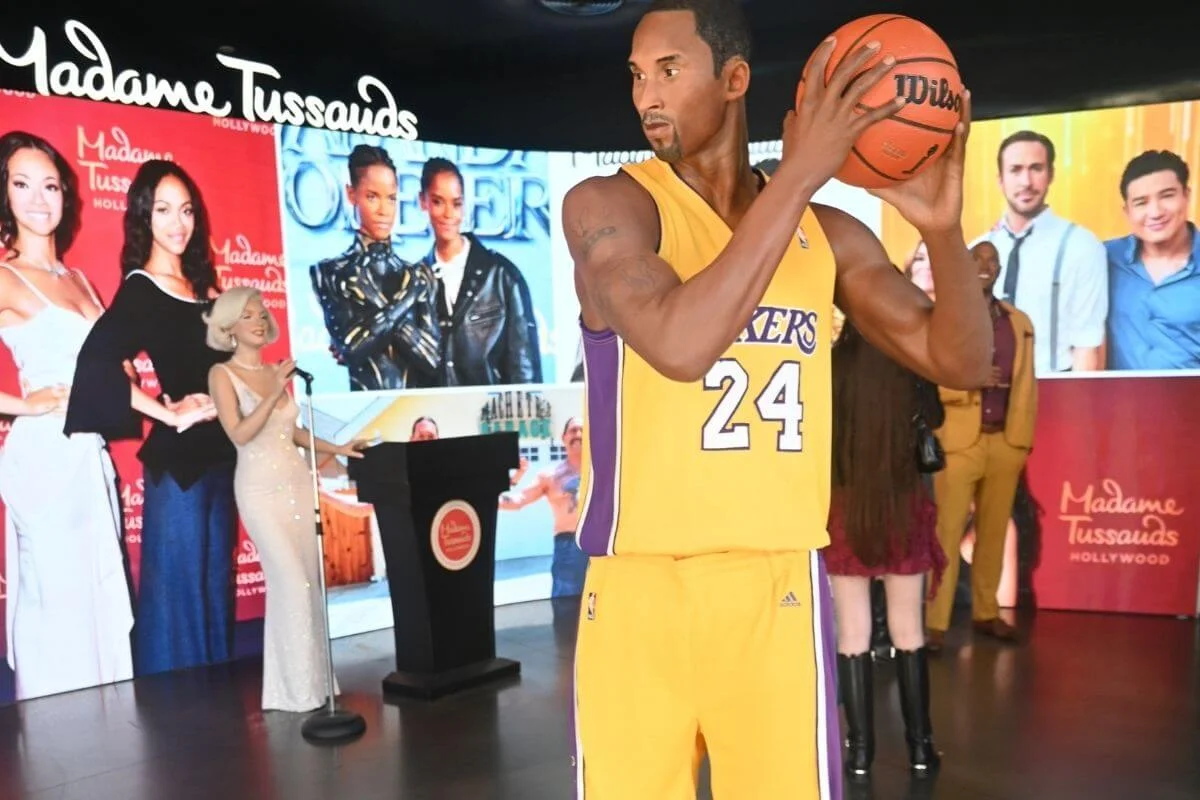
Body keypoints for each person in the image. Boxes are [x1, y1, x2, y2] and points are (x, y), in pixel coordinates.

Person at [563, 2, 992, 797]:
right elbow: (682, 345)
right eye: (635, 75)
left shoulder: (828, 233)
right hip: (635, 592)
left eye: (668, 70)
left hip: (777, 587)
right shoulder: (611, 207)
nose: (645, 96)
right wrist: (797, 175)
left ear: (734, 80)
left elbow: (962, 359)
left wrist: (941, 229)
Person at [0, 132, 202, 700]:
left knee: (99, 597)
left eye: (50, 185)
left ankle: (105, 749)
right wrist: (25, 404)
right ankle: (55, 750)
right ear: (5, 195)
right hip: (43, 459)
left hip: (88, 457)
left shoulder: (80, 282)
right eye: (22, 185)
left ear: (66, 194)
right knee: (56, 606)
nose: (40, 199)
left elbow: (111, 377)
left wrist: (167, 412)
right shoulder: (6, 276)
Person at [65, 159, 236, 678]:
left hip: (222, 460)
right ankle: (179, 730)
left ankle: (215, 725)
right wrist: (165, 410)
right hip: (177, 469)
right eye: (163, 210)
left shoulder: (204, 286)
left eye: (185, 210)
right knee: (178, 603)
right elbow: (95, 364)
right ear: (143, 216)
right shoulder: (143, 286)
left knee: (212, 595)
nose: (177, 223)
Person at [205, 287, 364, 711]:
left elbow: (290, 433)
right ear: (228, 327)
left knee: (308, 586)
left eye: (261, 314)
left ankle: (310, 687)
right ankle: (296, 692)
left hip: (296, 482)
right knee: (291, 583)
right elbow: (239, 433)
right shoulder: (223, 374)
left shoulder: (277, 372)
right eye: (248, 316)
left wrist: (341, 448)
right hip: (258, 489)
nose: (258, 321)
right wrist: (275, 388)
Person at [825, 320, 947, 778]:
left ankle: (859, 754)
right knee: (908, 631)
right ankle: (921, 748)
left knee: (853, 635)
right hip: (902, 505)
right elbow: (934, 418)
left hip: (844, 509)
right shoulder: (913, 365)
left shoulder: (832, 365)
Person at [926, 241, 1037, 650]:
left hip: (1006, 439)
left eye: (993, 261)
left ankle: (987, 613)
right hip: (959, 440)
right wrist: (968, 380)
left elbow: (1029, 383)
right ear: (964, 263)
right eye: (978, 258)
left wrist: (1023, 439)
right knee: (947, 533)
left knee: (994, 531)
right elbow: (928, 370)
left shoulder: (1019, 321)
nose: (986, 266)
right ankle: (934, 622)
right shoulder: (946, 315)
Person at [974, 130, 1107, 373]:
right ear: (1000, 179)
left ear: (1051, 174)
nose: (1026, 181)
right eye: (1015, 170)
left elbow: (1087, 345)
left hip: (1052, 389)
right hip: (985, 394)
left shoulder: (1082, 246)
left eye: (1036, 168)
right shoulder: (978, 247)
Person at [310, 144, 441, 391]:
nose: (384, 210)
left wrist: (380, 312)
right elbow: (352, 348)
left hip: (416, 416)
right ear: (351, 195)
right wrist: (407, 299)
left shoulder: (418, 274)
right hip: (363, 417)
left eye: (391, 198)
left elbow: (432, 359)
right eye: (372, 196)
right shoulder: (330, 272)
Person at [416, 157, 543, 386]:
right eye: (437, 201)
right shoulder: (415, 280)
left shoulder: (502, 275)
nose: (448, 214)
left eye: (456, 203)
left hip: (492, 416)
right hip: (434, 418)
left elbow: (524, 368)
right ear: (422, 201)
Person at [1104, 149, 1200, 370]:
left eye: (1167, 196)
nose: (1155, 212)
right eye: (1141, 203)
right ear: (1126, 211)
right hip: (1119, 402)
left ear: (1187, 195)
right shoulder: (1103, 259)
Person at [499, 417, 588, 598]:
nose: (577, 434)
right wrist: (482, 499)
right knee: (567, 607)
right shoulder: (550, 475)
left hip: (600, 544)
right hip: (568, 545)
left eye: (582, 430)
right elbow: (519, 500)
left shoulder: (603, 472)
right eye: (572, 431)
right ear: (563, 437)